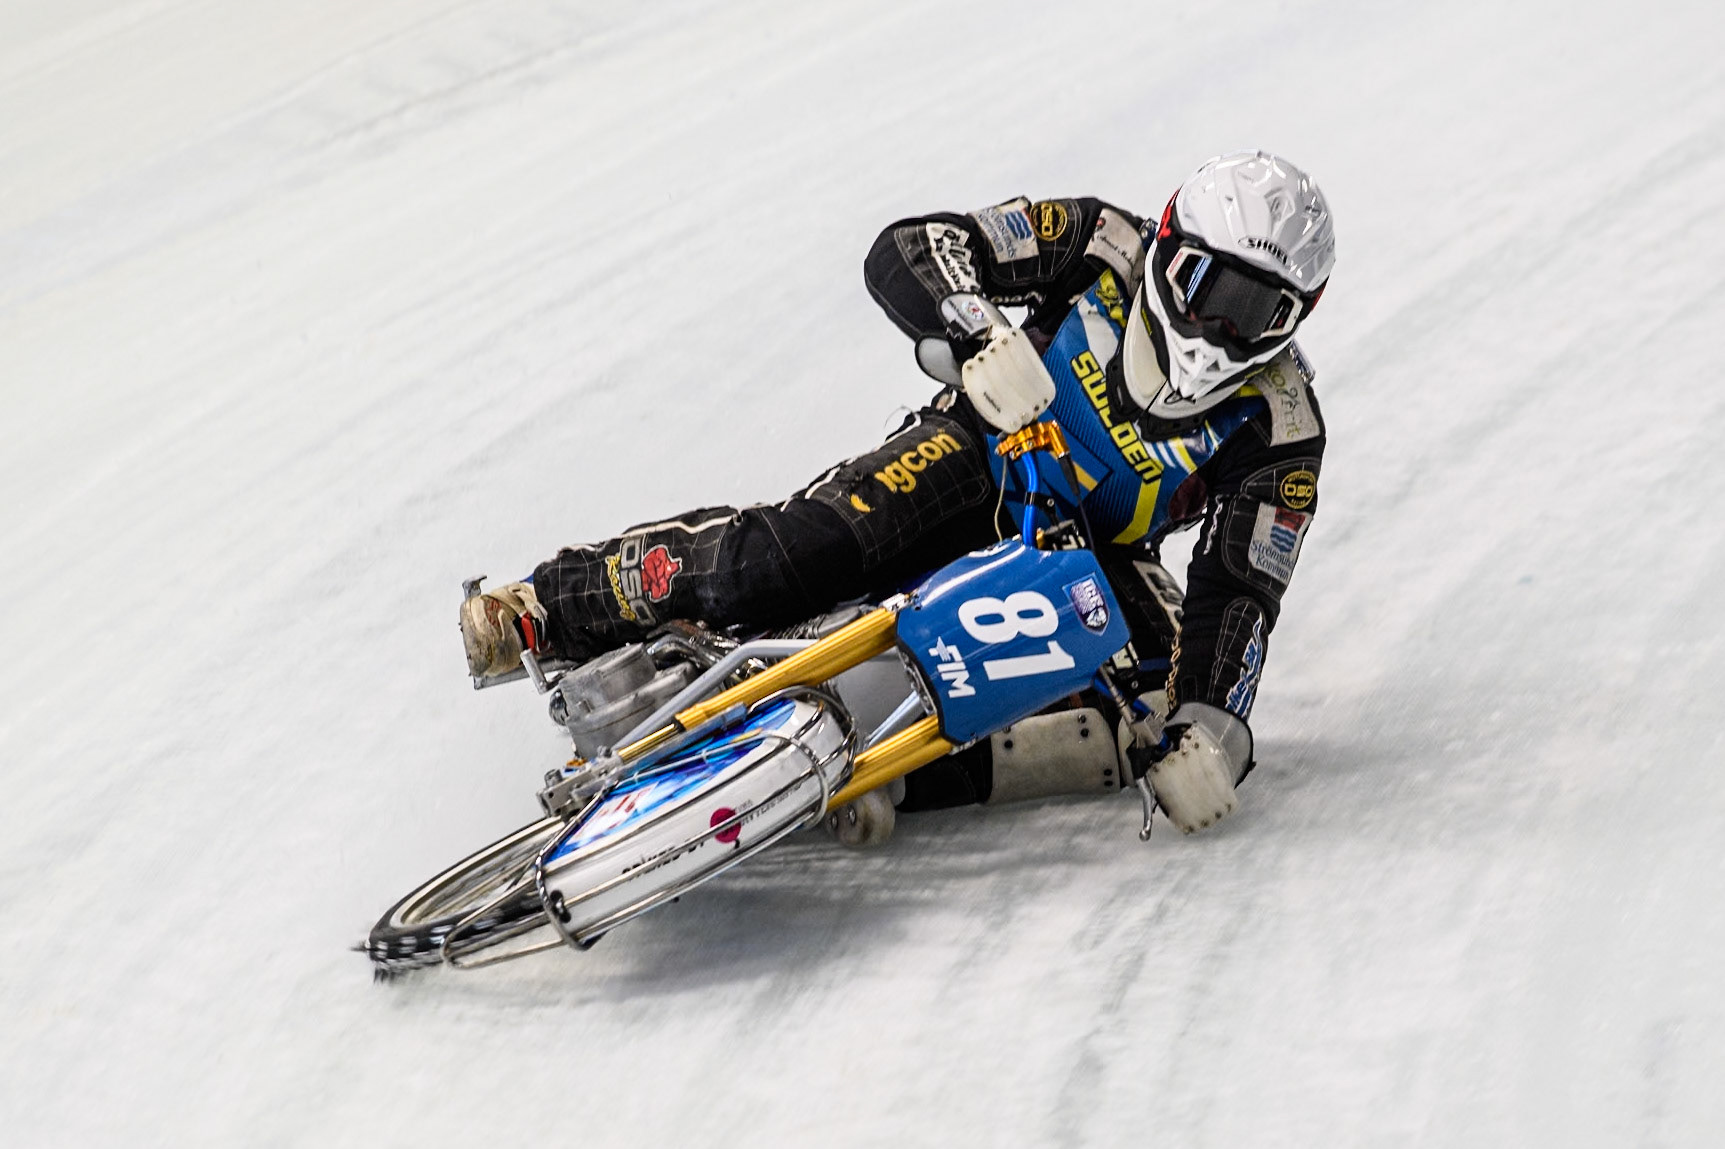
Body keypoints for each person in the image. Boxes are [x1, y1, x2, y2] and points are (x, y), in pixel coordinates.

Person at [461, 150, 1336, 836]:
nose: (1218, 329)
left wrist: (1213, 736)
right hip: (979, 451)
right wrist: (971, 330)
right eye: (1205, 288)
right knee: (792, 557)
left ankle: (884, 779)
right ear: (1170, 247)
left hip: (1095, 554)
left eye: (1255, 314)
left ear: (1295, 321)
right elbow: (915, 244)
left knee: (1140, 723)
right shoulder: (1099, 240)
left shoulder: (1284, 430)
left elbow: (1239, 597)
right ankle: (550, 602)